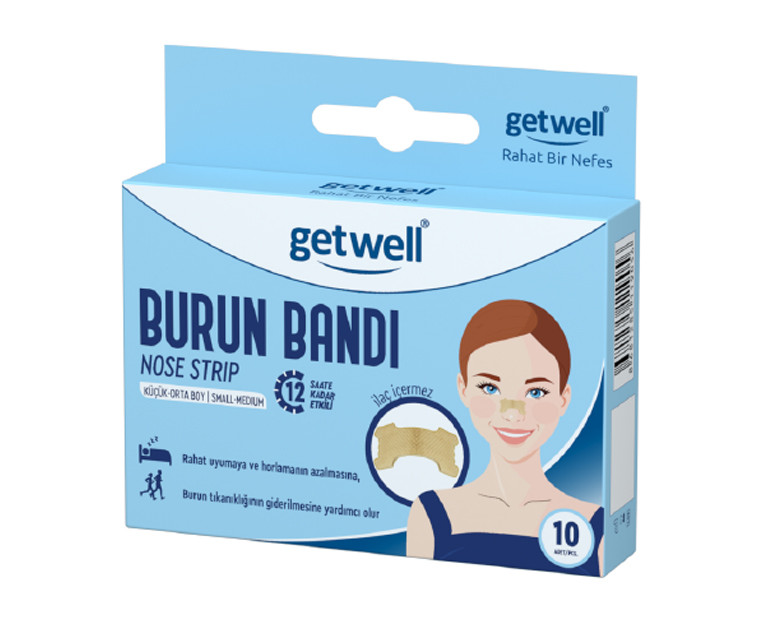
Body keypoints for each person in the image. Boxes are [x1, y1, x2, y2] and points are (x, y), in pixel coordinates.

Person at [406, 300, 603, 574]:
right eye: (490, 388)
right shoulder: (433, 514)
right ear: (463, 389)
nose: (512, 413)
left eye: (536, 392)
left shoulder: (594, 525)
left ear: (563, 399)